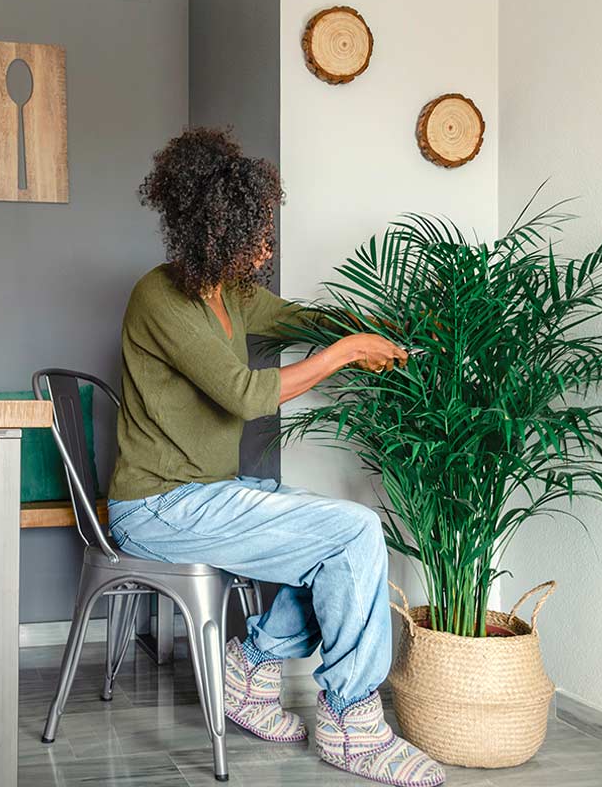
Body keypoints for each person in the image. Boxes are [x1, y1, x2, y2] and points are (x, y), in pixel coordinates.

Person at [107, 128, 445, 787]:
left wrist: (386, 333)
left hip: (207, 492)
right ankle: (351, 723)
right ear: (213, 230)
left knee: (329, 536)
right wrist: (347, 354)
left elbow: (303, 321)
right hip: (154, 507)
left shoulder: (232, 296)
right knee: (352, 531)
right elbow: (245, 394)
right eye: (254, 232)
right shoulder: (159, 297)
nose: (267, 246)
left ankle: (250, 671)